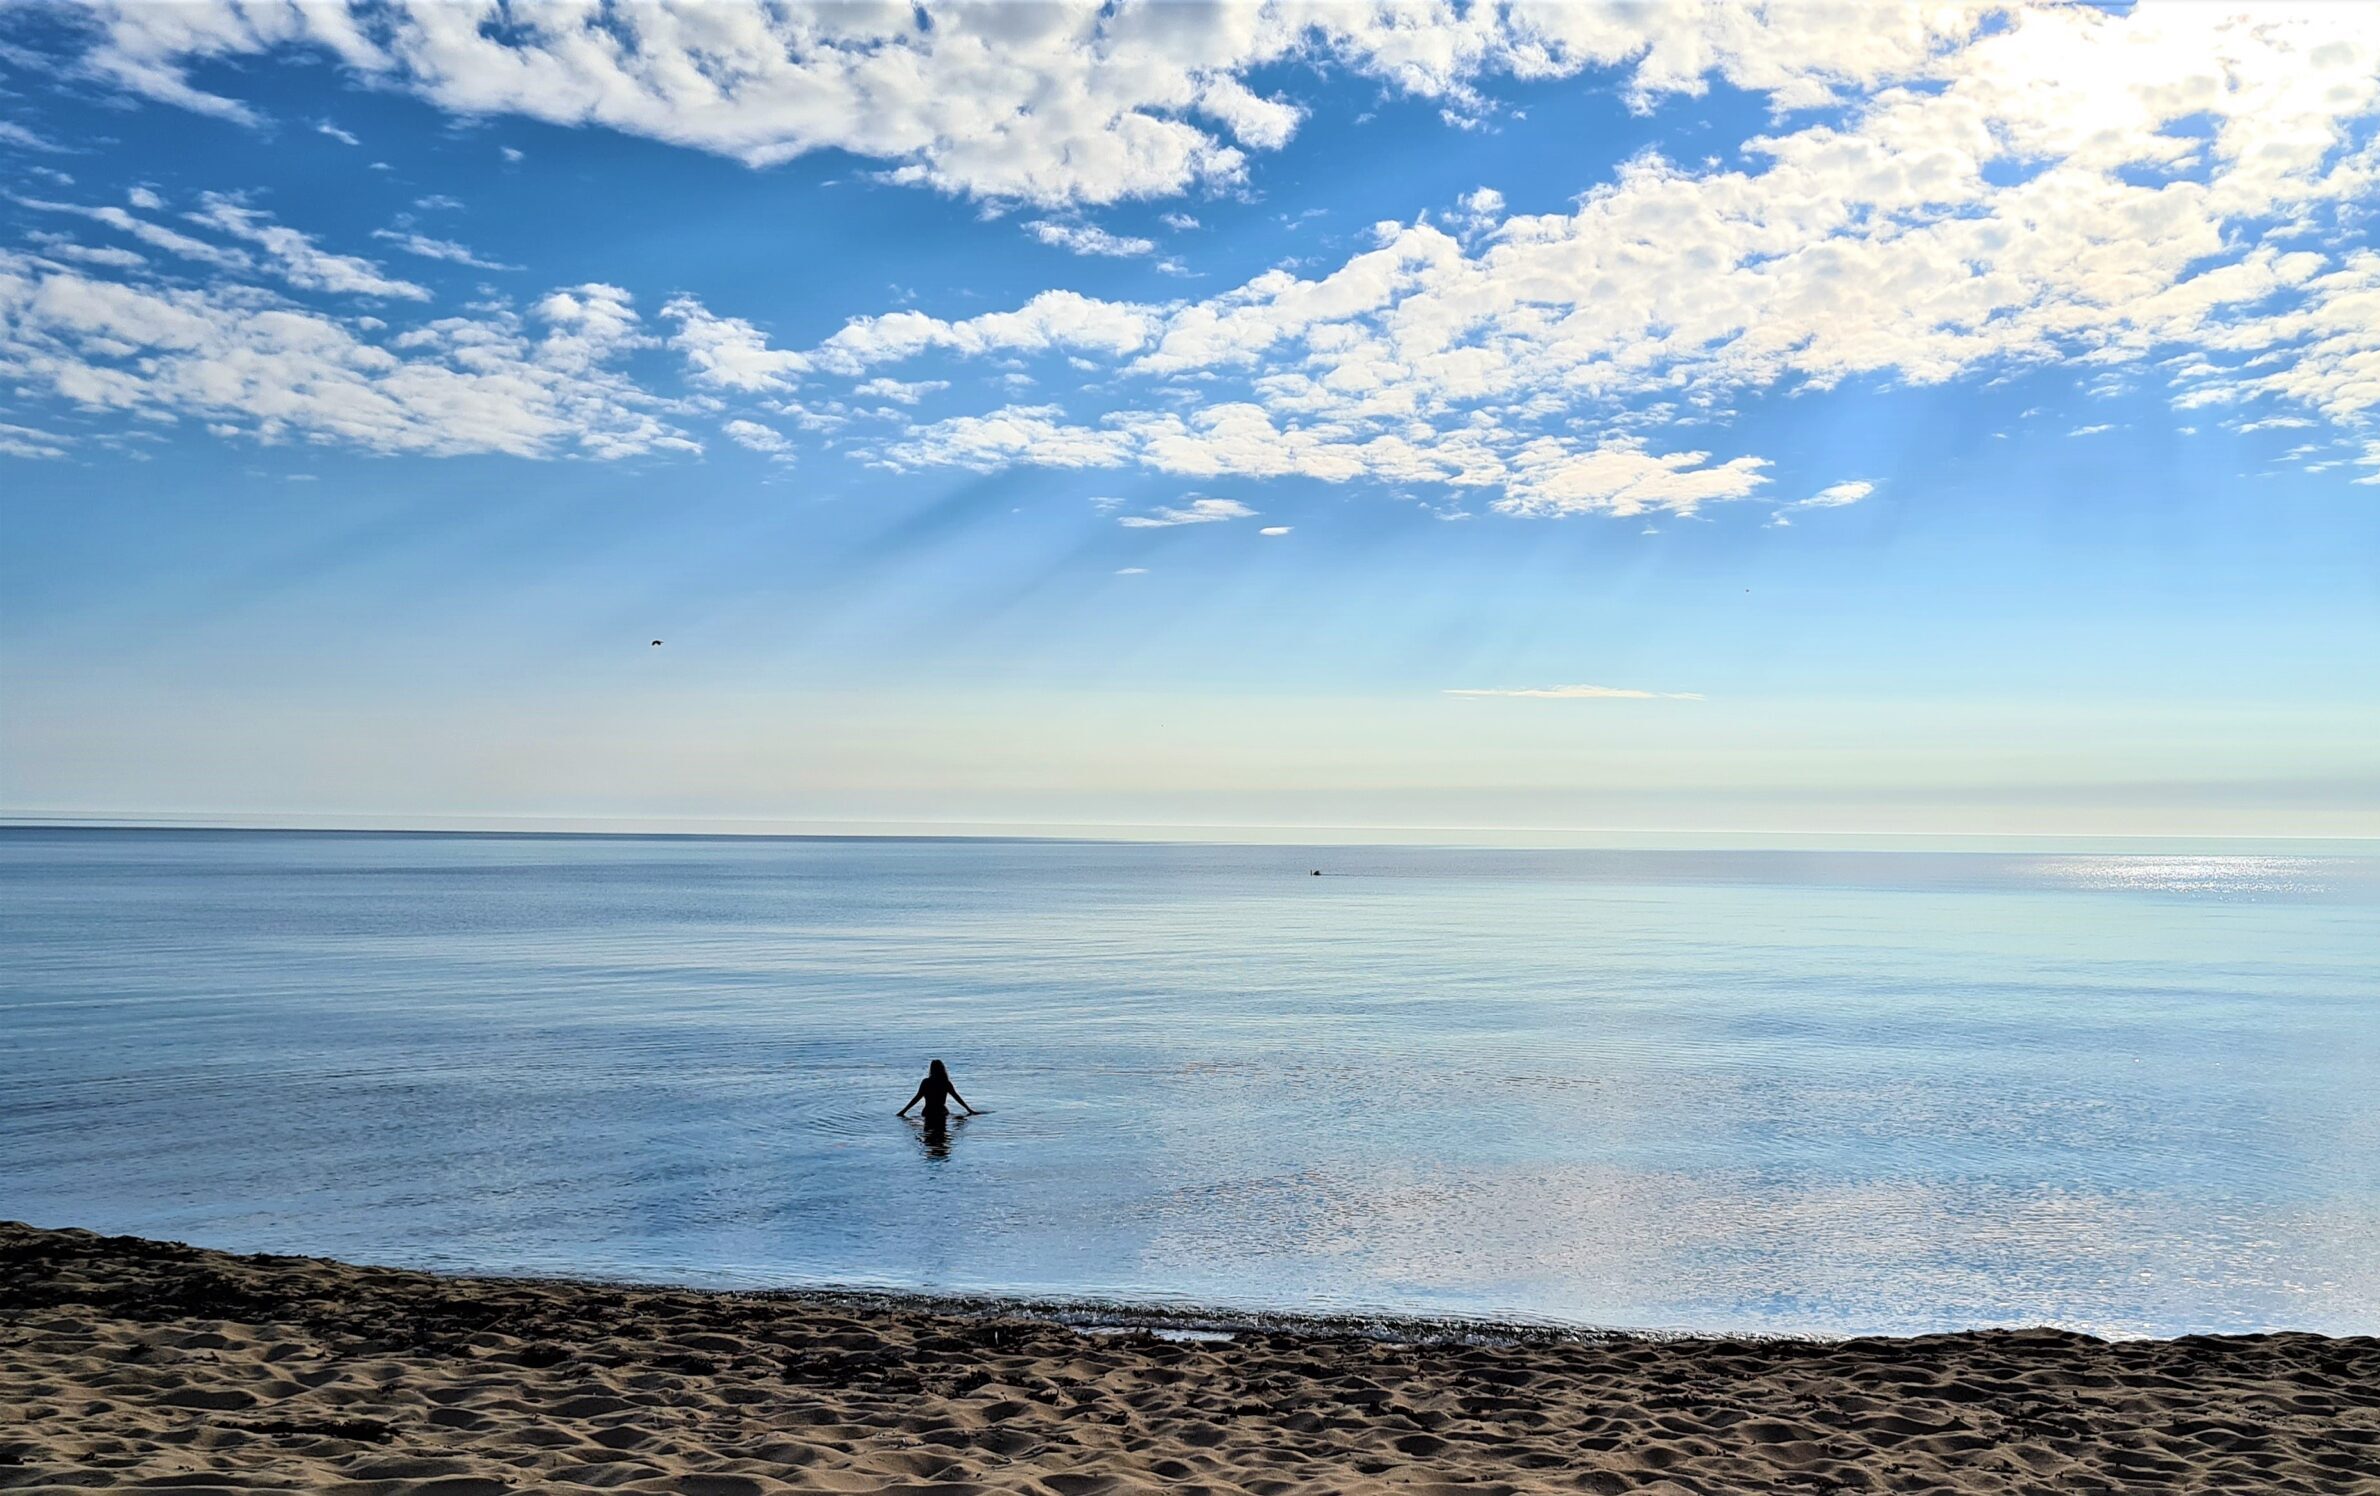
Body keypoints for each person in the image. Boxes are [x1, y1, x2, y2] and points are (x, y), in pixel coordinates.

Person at [898, 1059, 977, 1125]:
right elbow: (957, 1097)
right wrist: (969, 1110)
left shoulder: (926, 1082)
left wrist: (903, 1111)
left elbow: (916, 1098)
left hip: (928, 1111)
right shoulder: (945, 1083)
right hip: (941, 1111)